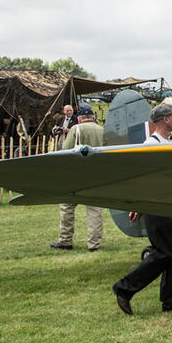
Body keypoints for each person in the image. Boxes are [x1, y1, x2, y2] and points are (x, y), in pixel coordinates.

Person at [112, 103, 172, 314]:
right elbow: (143, 177)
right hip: (157, 206)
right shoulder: (151, 144)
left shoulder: (169, 142)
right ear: (165, 119)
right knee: (164, 252)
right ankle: (124, 288)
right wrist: (139, 203)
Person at [50, 102, 106, 252]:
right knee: (95, 210)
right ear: (93, 118)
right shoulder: (103, 130)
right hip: (97, 175)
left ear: (80, 119)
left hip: (76, 176)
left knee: (67, 207)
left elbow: (66, 151)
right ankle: (94, 244)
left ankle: (65, 240)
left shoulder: (76, 129)